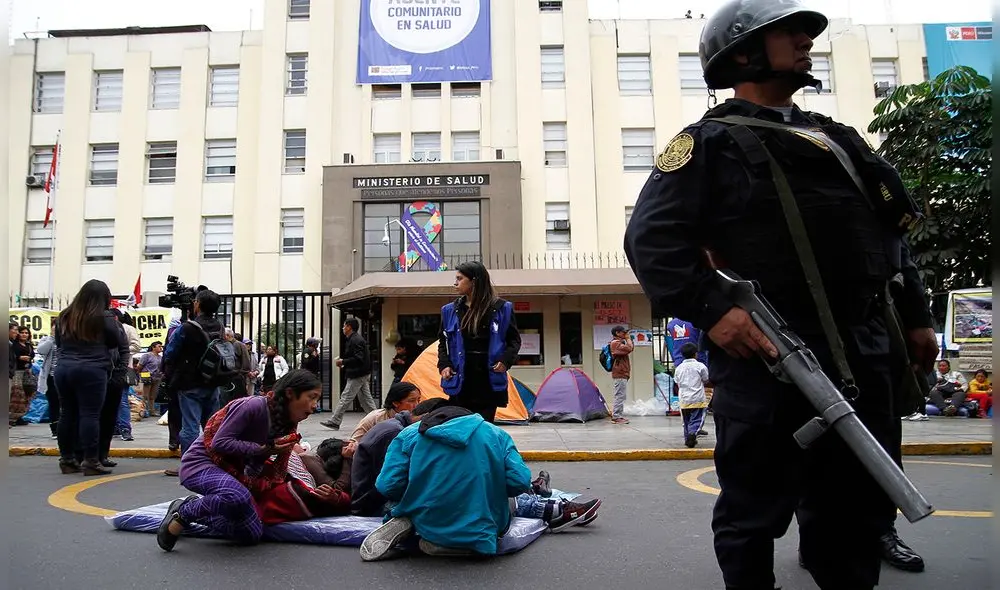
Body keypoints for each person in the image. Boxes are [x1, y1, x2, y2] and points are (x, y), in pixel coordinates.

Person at [622, 2, 939, 588]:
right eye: (787, 32)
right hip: (767, 360)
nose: (804, 40)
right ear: (742, 53)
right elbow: (652, 243)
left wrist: (917, 318)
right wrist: (716, 311)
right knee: (752, 514)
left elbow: (891, 239)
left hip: (864, 355)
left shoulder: (836, 139)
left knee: (858, 514)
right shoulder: (707, 143)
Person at [359, 404, 601, 560]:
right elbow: (518, 482)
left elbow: (387, 486)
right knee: (512, 499)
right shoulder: (496, 434)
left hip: (427, 520)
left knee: (396, 504)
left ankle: (411, 522)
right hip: (484, 530)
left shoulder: (409, 435)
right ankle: (463, 530)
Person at [156, 370, 350, 552]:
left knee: (251, 532)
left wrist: (262, 482)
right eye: (312, 397)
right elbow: (220, 443)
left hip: (235, 474)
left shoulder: (287, 426)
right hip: (202, 464)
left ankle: (191, 508)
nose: (315, 405)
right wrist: (264, 449)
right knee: (237, 496)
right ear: (291, 393)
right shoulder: (253, 406)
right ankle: (184, 513)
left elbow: (271, 466)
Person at [53, 279, 129, 475]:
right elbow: (116, 342)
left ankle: (67, 459)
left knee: (67, 413)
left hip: (63, 368)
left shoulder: (65, 315)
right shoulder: (103, 317)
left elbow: (59, 343)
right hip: (92, 368)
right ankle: (91, 461)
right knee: (90, 414)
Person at [436, 261, 521, 424]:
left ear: (474, 281)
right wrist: (444, 364)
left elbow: (514, 340)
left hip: (488, 379)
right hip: (460, 379)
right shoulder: (449, 310)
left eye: (460, 278)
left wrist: (505, 361)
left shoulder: (502, 308)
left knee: (483, 428)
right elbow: (443, 341)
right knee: (460, 427)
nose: (455, 283)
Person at [163, 289, 225, 455]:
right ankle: (212, 460)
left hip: (189, 383)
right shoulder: (220, 327)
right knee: (211, 426)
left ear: (197, 304)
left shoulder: (187, 328)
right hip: (212, 381)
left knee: (190, 426)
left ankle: (190, 464)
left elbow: (170, 353)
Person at [321, 319, 377, 430]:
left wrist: (343, 362)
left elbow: (358, 358)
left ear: (349, 327)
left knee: (346, 397)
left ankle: (335, 421)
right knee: (366, 399)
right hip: (361, 372)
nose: (343, 328)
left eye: (344, 326)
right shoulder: (355, 339)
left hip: (357, 374)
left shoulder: (355, 340)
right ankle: (377, 420)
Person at [347, 381, 422, 449]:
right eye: (412, 401)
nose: (416, 405)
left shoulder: (419, 419)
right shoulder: (375, 418)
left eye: (418, 400)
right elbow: (353, 443)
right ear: (396, 403)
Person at [675, 343, 710, 448]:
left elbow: (677, 381)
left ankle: (688, 439)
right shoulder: (700, 366)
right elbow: (706, 379)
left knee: (686, 421)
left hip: (684, 399)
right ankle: (693, 433)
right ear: (696, 354)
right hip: (698, 398)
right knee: (697, 419)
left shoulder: (679, 368)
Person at [37, 320, 60, 438]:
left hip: (64, 376)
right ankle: (55, 429)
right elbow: (41, 350)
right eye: (55, 327)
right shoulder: (47, 340)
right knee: (53, 403)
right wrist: (52, 337)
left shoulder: (68, 340)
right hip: (51, 377)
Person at [10, 326, 37, 426]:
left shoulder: (28, 345)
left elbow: (32, 356)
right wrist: (20, 357)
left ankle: (20, 416)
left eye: (26, 333)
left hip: (27, 372)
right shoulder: (14, 345)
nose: (24, 334)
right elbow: (12, 356)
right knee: (17, 395)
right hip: (17, 372)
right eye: (22, 332)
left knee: (27, 394)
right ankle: (12, 417)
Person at [609, 326, 635, 425]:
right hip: (619, 373)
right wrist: (628, 339)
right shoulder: (615, 343)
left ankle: (618, 415)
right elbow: (629, 348)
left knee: (621, 395)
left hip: (622, 372)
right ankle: (616, 417)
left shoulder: (619, 342)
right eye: (623, 333)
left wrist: (627, 339)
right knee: (619, 395)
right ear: (617, 333)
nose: (625, 334)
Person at [220, 328, 251, 406]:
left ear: (227, 335)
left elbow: (246, 363)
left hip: (237, 378)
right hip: (226, 378)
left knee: (237, 402)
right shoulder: (224, 345)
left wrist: (240, 373)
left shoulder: (239, 345)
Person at [138, 341, 164, 417]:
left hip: (157, 377)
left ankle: (152, 411)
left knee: (153, 395)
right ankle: (143, 411)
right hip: (147, 376)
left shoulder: (160, 357)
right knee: (145, 395)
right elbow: (140, 366)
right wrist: (141, 374)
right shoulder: (147, 355)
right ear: (153, 347)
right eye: (159, 346)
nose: (160, 348)